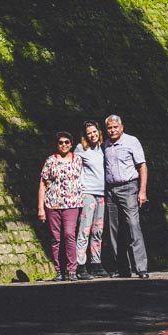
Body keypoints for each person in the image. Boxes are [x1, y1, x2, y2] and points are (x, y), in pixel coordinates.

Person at [103, 113, 149, 278]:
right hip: (110, 190)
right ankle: (121, 268)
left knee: (132, 225)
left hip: (129, 187)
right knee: (113, 229)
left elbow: (142, 166)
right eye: (109, 128)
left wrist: (142, 191)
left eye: (115, 127)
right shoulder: (105, 145)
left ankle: (141, 267)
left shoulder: (132, 141)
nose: (113, 130)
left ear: (122, 127)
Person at [37, 133, 84, 280]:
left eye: (67, 142)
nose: (64, 145)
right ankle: (58, 270)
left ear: (71, 144)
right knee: (56, 238)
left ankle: (72, 269)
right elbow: (43, 184)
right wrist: (40, 207)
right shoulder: (50, 160)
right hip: (53, 203)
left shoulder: (78, 160)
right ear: (57, 144)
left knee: (70, 234)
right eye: (60, 142)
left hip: (72, 203)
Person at [73, 120, 107, 280]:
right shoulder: (81, 148)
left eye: (95, 131)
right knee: (84, 229)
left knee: (98, 230)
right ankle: (80, 265)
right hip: (88, 193)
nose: (93, 135)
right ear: (85, 136)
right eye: (89, 133)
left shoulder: (102, 148)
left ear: (99, 132)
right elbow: (74, 168)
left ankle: (96, 263)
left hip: (101, 193)